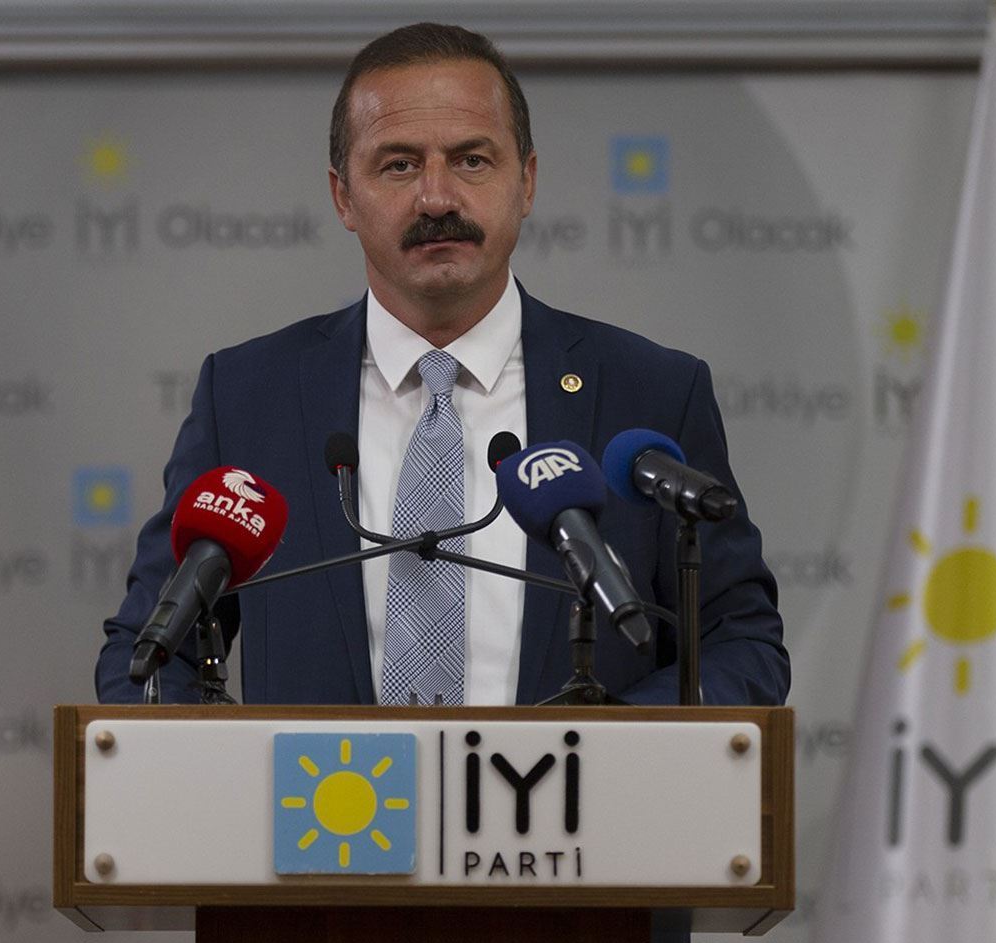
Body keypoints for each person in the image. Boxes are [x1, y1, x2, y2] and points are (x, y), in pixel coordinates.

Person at [97, 23, 787, 711]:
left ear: (527, 182)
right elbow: (149, 652)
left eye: (472, 160)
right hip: (323, 786)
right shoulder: (250, 396)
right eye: (399, 165)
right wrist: (235, 764)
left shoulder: (653, 393)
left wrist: (605, 748)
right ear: (343, 196)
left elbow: (740, 642)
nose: (436, 198)